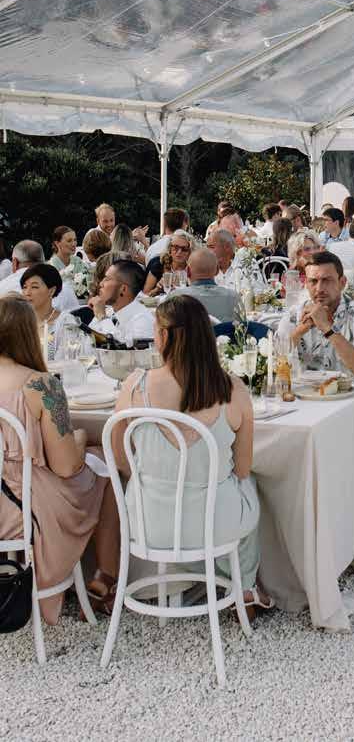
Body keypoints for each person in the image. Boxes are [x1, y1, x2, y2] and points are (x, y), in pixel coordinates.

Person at [112, 295, 271, 614]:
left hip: (147, 525)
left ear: (163, 335)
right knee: (245, 484)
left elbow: (120, 460)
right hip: (216, 526)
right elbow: (242, 469)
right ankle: (245, 587)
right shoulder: (233, 390)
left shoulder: (133, 386)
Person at [0, 295, 114, 623]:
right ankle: (106, 576)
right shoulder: (40, 385)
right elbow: (66, 467)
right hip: (23, 505)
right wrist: (80, 438)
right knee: (104, 465)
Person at [279, 251, 354, 380]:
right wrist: (299, 331)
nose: (319, 288)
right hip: (305, 391)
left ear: (342, 283)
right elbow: (272, 363)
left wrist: (328, 328)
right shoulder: (294, 314)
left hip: (350, 391)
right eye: (313, 281)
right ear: (306, 284)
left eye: (326, 280)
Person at [0, 240, 79, 311]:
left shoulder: (3, 288)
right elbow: (77, 317)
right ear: (43, 261)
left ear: (15, 262)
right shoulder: (65, 288)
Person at [90, 259, 155, 344]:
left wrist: (102, 317)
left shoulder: (143, 321)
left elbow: (121, 348)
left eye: (107, 279)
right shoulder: (109, 311)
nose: (101, 284)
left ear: (123, 289)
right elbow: (86, 340)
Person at [172, 248, 245, 324]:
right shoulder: (234, 298)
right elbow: (243, 328)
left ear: (187, 271)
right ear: (217, 270)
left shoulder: (175, 298)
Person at [20, 263, 75, 349]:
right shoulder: (18, 321)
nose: (27, 293)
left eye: (34, 287)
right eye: (24, 287)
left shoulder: (65, 323)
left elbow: (70, 354)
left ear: (52, 291)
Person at [144, 230, 193, 295]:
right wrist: (157, 289)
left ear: (190, 251)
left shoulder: (193, 269)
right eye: (175, 247)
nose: (179, 252)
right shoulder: (159, 264)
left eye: (184, 249)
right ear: (170, 249)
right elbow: (145, 294)